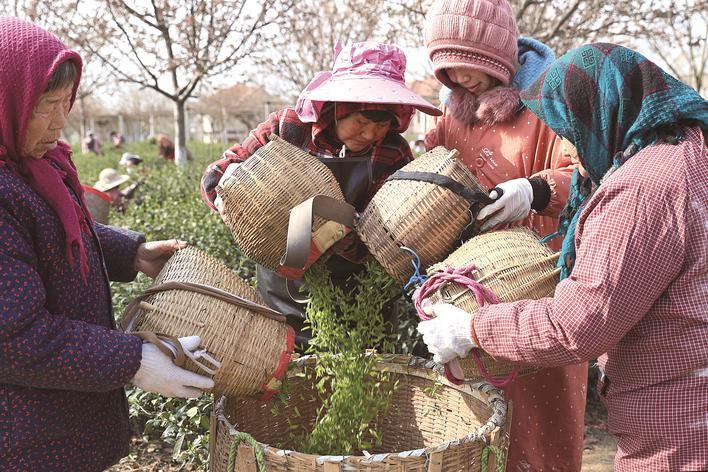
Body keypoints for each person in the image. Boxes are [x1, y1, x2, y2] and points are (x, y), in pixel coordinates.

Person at [418, 43, 708, 471]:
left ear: (602, 109)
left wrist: (472, 329)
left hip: (677, 429)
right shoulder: (687, 148)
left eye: (569, 131)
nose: (571, 151)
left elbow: (577, 325)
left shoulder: (644, 190)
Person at [0, 17, 213, 471]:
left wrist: (130, 252)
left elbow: (58, 230)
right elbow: (14, 337)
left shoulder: (35, 163)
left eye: (65, 102)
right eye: (45, 105)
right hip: (26, 438)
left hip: (66, 418)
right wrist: (133, 359)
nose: (61, 120)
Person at [423, 0, 585, 468]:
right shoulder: (450, 117)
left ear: (495, 55)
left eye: (467, 64)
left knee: (542, 413)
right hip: (469, 285)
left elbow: (591, 176)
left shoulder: (550, 102)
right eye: (447, 68)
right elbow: (428, 172)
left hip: (538, 282)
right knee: (475, 415)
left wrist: (536, 189)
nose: (459, 77)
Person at [201, 41, 441, 344]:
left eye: (381, 126)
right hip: (283, 290)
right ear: (339, 106)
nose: (370, 135)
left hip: (358, 291)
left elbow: (389, 234)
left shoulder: (394, 151)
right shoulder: (288, 128)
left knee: (365, 376)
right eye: (362, 122)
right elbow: (217, 172)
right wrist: (225, 195)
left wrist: (340, 230)